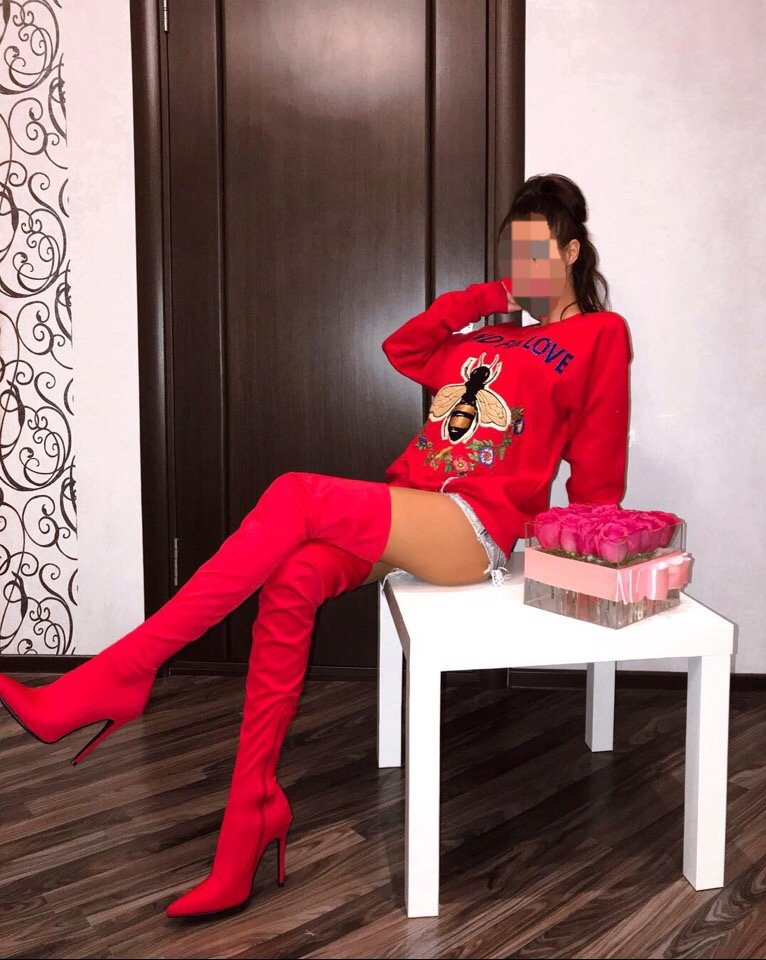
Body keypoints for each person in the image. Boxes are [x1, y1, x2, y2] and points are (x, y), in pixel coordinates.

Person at [0, 172, 633, 920]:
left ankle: (122, 672)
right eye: (512, 252)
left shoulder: (600, 336)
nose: (521, 266)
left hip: (475, 528)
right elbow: (404, 347)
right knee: (295, 578)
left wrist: (583, 559)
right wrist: (487, 297)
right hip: (414, 509)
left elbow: (598, 479)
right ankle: (251, 816)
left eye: (535, 251)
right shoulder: (490, 335)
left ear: (571, 250)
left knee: (297, 494)